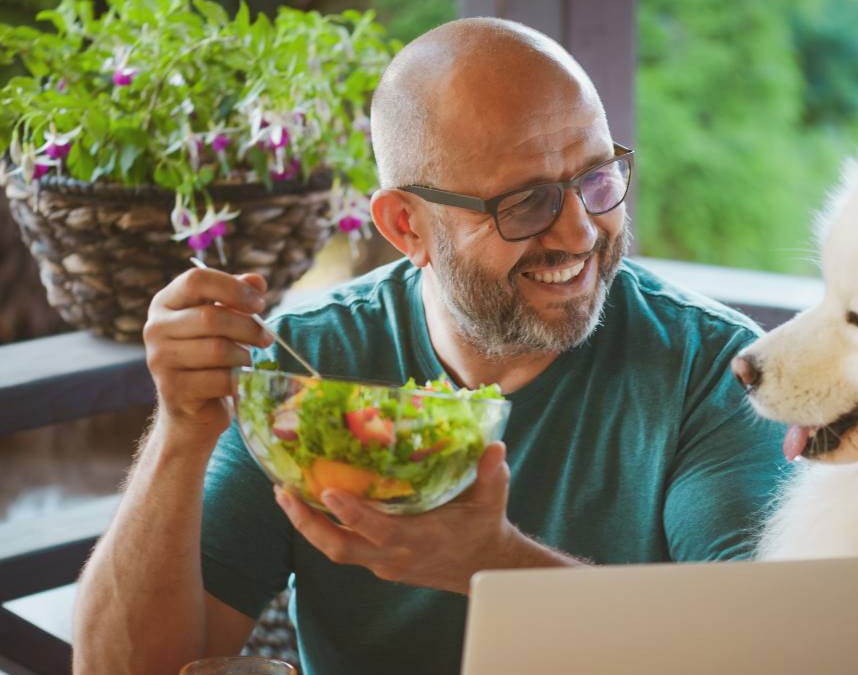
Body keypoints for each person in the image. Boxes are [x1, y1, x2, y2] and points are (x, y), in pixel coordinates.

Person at [73, 17, 787, 674]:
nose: (579, 233)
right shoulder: (308, 369)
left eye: (597, 178)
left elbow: (765, 650)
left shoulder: (716, 369)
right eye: (525, 203)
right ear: (405, 225)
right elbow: (122, 668)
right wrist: (179, 433)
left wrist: (494, 562)